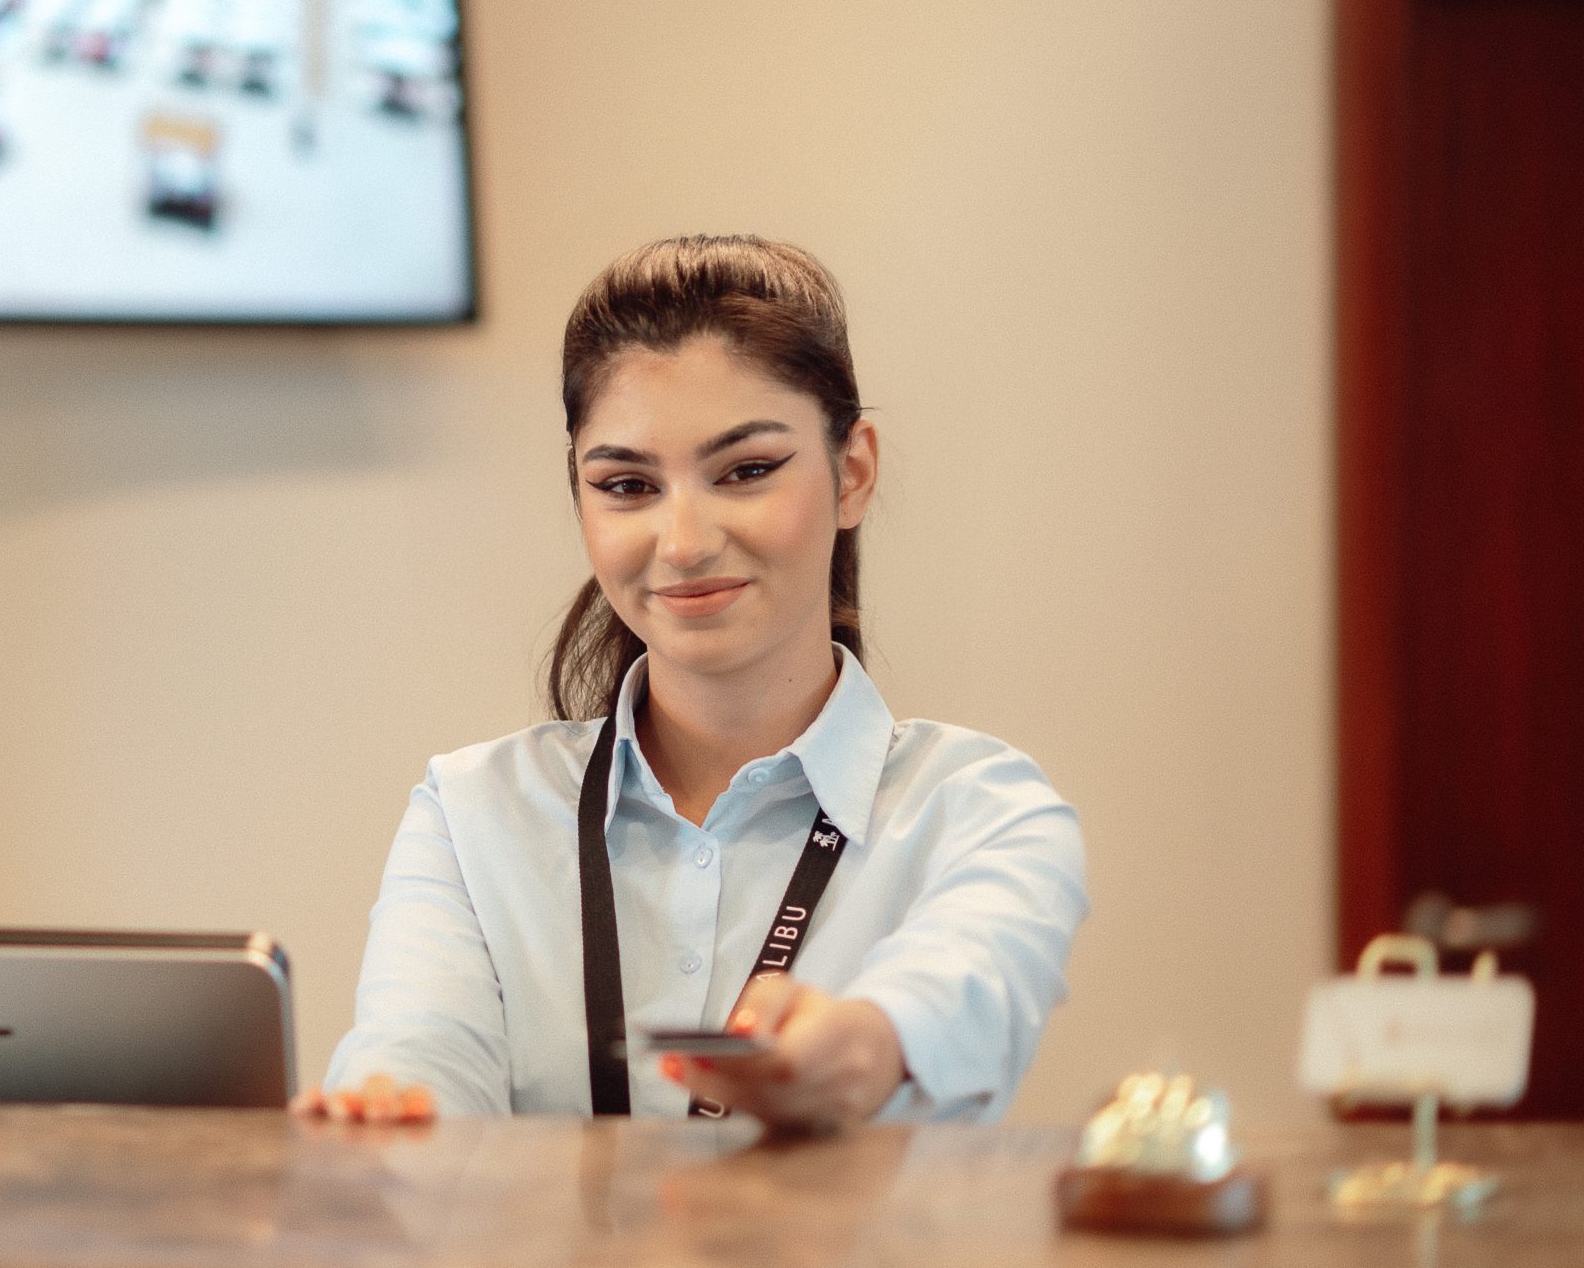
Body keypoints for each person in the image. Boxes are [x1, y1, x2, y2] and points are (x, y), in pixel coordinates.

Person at [295, 235, 1086, 1127]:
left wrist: (854, 1048)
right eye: (628, 485)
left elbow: (937, 1000)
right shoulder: (472, 811)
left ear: (852, 470)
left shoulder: (985, 810)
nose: (682, 542)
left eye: (746, 471)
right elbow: (421, 1053)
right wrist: (385, 1119)